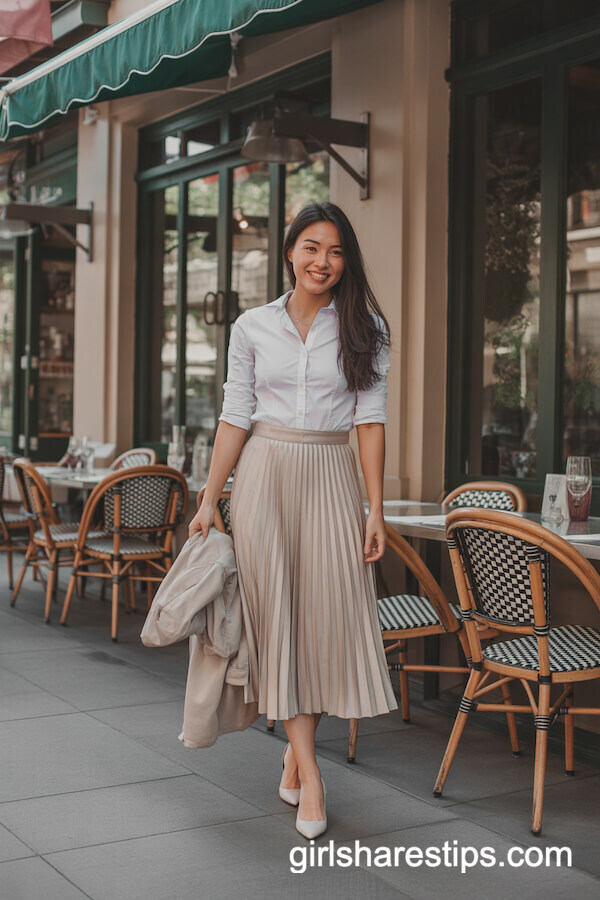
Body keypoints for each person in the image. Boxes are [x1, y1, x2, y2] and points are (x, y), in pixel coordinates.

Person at [189, 201, 397, 839]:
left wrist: (375, 509)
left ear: (346, 260)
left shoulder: (367, 328)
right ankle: (311, 772)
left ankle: (295, 756)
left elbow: (370, 423)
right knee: (278, 620)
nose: (322, 262)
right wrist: (209, 498)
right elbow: (236, 415)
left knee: (324, 621)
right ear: (290, 252)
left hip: (333, 477)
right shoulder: (252, 326)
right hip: (265, 478)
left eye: (335, 251)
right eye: (311, 247)